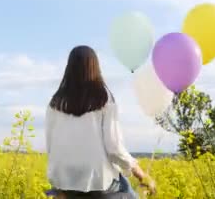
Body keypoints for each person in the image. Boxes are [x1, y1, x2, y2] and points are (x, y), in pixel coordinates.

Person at [45, 46, 156, 198]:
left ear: (68, 68)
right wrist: (141, 175)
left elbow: (51, 147)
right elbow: (114, 148)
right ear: (95, 67)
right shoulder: (104, 98)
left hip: (64, 183)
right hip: (97, 182)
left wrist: (59, 188)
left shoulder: (55, 102)